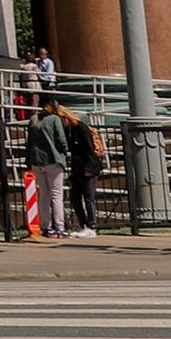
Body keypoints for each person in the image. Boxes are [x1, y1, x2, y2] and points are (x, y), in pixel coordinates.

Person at [25, 93, 72, 239]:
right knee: (56, 194)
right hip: (53, 159)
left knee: (44, 195)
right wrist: (65, 151)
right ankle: (59, 227)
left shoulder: (33, 119)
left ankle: (45, 226)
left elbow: (29, 141)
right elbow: (61, 138)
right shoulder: (54, 119)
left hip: (36, 161)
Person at [63, 102, 105, 238]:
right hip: (78, 168)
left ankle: (91, 225)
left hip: (88, 168)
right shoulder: (70, 130)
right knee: (75, 197)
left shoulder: (80, 128)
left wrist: (88, 167)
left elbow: (89, 149)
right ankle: (84, 225)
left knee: (88, 197)